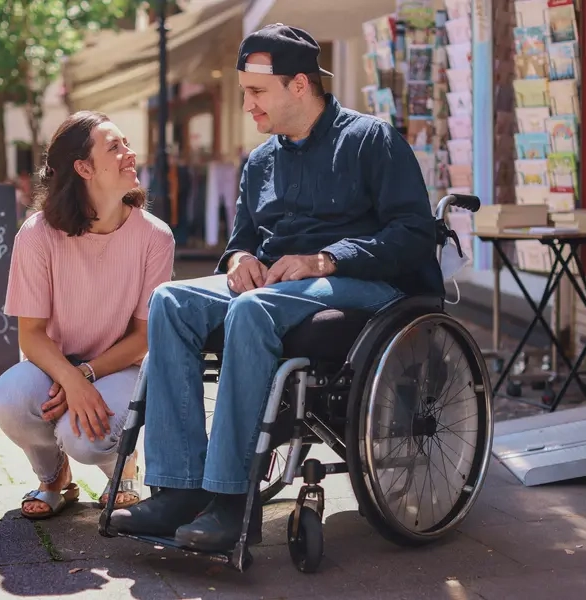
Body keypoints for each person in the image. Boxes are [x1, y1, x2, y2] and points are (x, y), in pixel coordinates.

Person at [110, 24, 444, 551]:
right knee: (170, 301)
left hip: (367, 288)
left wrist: (328, 259)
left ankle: (228, 501)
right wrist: (240, 259)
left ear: (300, 85)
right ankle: (177, 489)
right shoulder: (260, 162)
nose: (247, 106)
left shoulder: (369, 140)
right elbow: (240, 242)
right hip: (280, 289)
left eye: (256, 92)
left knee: (253, 310)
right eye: (245, 92)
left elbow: (413, 234)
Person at [0, 111, 175, 520]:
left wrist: (87, 375)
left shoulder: (155, 237)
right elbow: (32, 335)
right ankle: (54, 477)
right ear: (84, 168)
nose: (130, 153)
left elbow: (143, 337)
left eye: (126, 144)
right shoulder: (37, 234)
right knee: (10, 399)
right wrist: (70, 378)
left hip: (120, 366)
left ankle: (122, 466)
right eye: (115, 147)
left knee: (84, 438)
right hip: (52, 364)